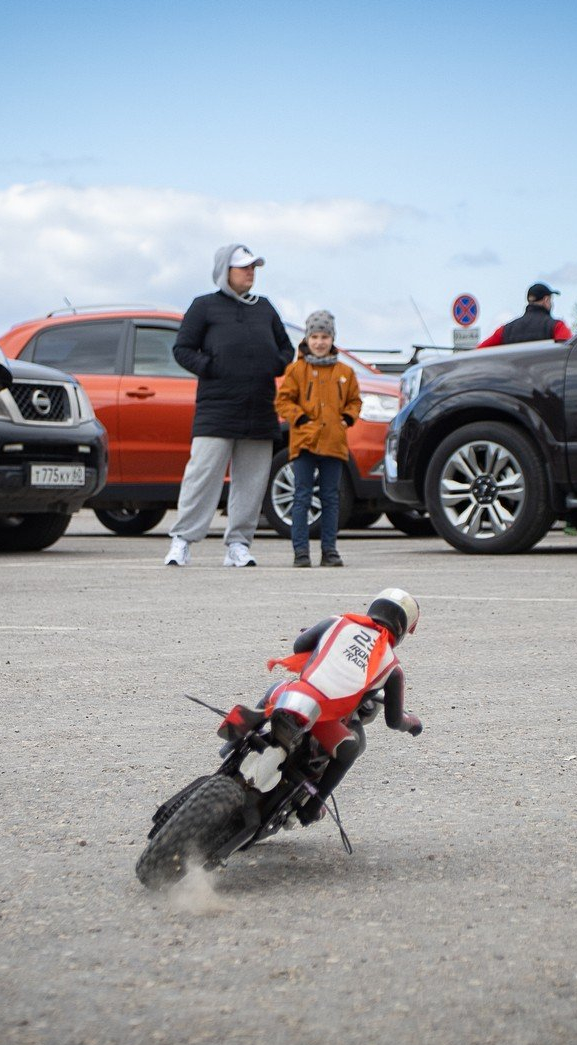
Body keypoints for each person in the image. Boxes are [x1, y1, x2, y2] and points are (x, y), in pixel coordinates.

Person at [217, 588, 424, 826]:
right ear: (402, 629)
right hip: (325, 719)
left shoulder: (339, 622)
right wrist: (412, 723)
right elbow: (394, 720)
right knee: (350, 749)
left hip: (296, 695)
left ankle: (232, 744)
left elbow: (299, 646)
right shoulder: (392, 668)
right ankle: (312, 807)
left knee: (273, 692)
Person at [165, 244, 294, 567]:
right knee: (202, 475)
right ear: (225, 271)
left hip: (259, 408)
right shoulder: (204, 306)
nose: (250, 272)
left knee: (251, 480)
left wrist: (273, 364)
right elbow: (182, 349)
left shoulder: (265, 308)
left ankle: (238, 544)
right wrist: (211, 366)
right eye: (243, 267)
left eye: (253, 267)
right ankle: (182, 541)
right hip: (216, 409)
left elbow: (286, 349)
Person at [275, 310, 361, 568]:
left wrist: (348, 418)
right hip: (304, 442)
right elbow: (283, 400)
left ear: (332, 339)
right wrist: (299, 418)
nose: (320, 342)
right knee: (301, 496)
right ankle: (301, 551)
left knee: (331, 497)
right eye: (315, 336)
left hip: (334, 442)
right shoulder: (296, 370)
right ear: (307, 338)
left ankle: (329, 550)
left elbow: (355, 400)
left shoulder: (345, 371)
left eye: (324, 336)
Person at [476, 282, 573, 348]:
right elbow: (571, 349)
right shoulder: (557, 326)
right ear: (546, 300)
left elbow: (480, 350)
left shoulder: (505, 330)